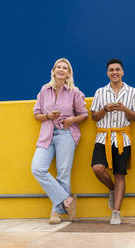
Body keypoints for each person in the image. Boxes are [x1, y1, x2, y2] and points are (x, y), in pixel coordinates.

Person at [31, 58, 88, 224]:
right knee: (37, 168)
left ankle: (56, 213)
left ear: (68, 73)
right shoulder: (44, 90)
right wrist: (48, 116)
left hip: (66, 133)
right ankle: (67, 200)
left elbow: (84, 115)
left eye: (65, 68)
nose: (61, 70)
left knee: (63, 173)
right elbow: (36, 114)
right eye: (58, 67)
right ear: (53, 70)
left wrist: (70, 120)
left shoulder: (74, 92)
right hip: (46, 133)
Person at [90, 59, 135, 225]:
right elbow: (93, 117)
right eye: (111, 70)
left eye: (117, 69)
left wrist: (124, 109)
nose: (114, 72)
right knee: (97, 168)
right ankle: (112, 189)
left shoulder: (132, 91)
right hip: (103, 137)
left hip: (122, 138)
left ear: (123, 72)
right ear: (107, 73)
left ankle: (116, 213)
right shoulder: (100, 92)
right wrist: (105, 109)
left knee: (120, 174)